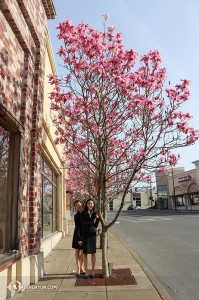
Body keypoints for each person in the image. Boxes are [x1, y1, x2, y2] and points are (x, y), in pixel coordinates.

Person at [80, 198, 100, 278]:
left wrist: (97, 218)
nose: (90, 205)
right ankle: (86, 271)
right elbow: (83, 224)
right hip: (85, 235)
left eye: (91, 204)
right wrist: (92, 221)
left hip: (92, 235)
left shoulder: (95, 213)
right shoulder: (83, 213)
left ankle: (92, 271)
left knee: (93, 253)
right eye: (89, 203)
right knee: (85, 253)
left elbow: (95, 226)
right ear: (86, 205)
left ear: (93, 204)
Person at [72, 200, 85, 276]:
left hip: (84, 234)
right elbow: (77, 227)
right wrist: (78, 238)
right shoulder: (76, 216)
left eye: (79, 204)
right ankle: (78, 268)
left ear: (81, 205)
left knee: (83, 252)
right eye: (76, 205)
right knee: (77, 251)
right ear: (75, 207)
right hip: (77, 234)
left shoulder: (85, 213)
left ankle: (82, 267)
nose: (78, 206)